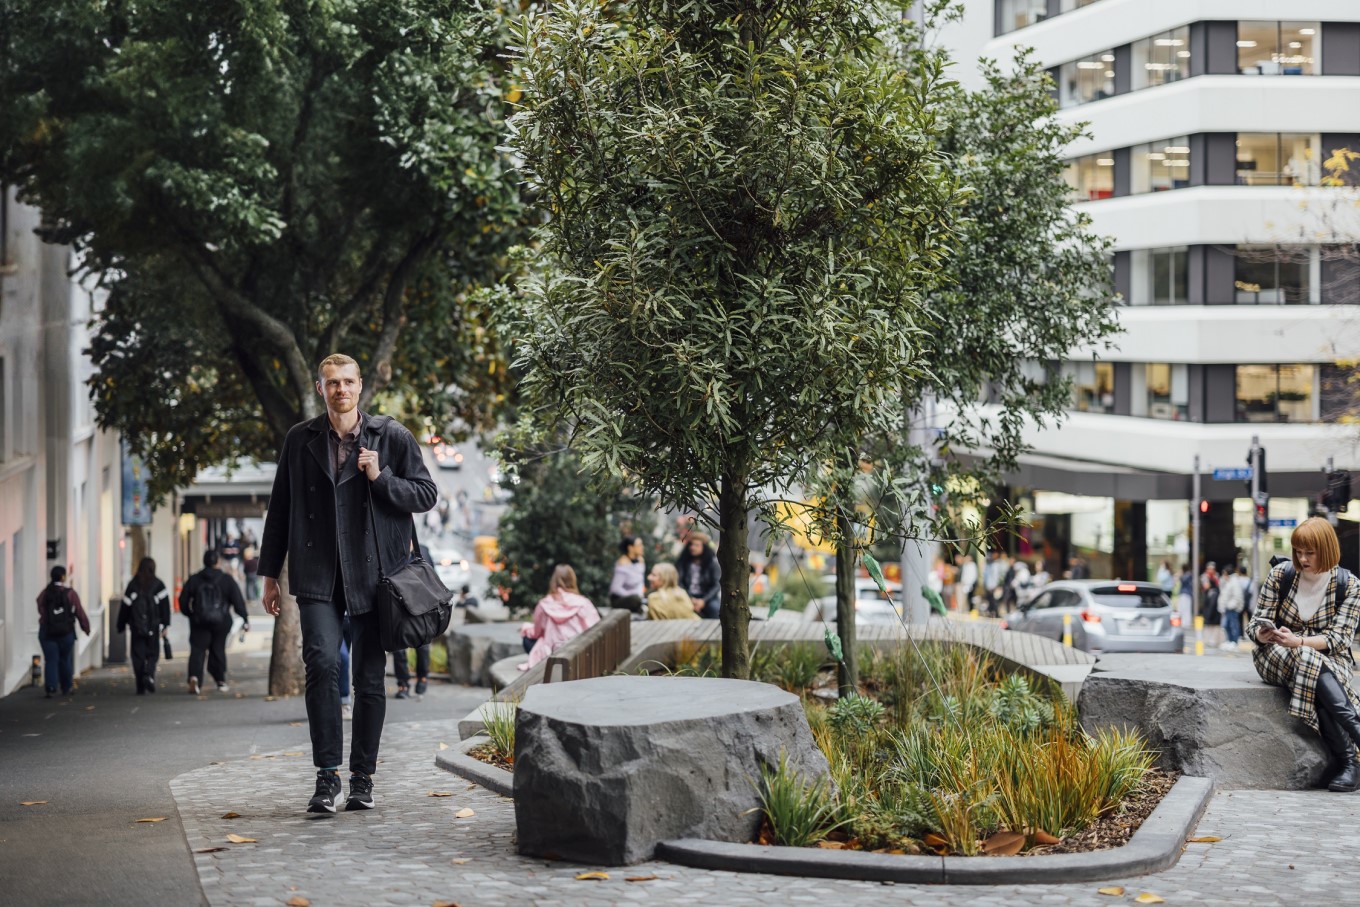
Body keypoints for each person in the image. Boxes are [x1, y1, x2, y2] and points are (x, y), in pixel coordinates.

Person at [258, 353, 438, 815]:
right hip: (317, 572)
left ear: (361, 387)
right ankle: (326, 778)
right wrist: (268, 575)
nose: (341, 389)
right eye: (332, 382)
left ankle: (362, 779)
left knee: (369, 678)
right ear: (321, 389)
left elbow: (425, 494)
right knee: (320, 663)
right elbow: (281, 507)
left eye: (348, 382)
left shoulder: (390, 436)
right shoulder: (301, 439)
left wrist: (381, 477)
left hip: (375, 576)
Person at [1247, 518, 1360, 792]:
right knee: (1306, 659)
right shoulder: (1281, 575)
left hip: (1331, 660)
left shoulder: (1350, 585)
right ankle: (1352, 755)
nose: (1302, 558)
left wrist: (1299, 641)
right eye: (1298, 551)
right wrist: (1263, 634)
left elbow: (1339, 639)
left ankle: (1350, 762)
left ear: (1327, 549)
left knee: (1307, 659)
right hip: (1275, 656)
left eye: (1310, 552)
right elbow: (1254, 624)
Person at [180, 549, 249, 694]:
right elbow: (237, 601)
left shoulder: (195, 579)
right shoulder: (226, 579)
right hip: (221, 621)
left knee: (197, 650)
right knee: (218, 649)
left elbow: (183, 600)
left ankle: (194, 677)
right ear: (217, 562)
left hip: (199, 621)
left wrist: (191, 614)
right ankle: (220, 681)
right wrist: (245, 618)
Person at [519, 565, 601, 669]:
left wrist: (525, 628)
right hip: (578, 652)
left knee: (527, 640)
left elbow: (536, 633)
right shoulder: (584, 603)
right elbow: (595, 628)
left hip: (551, 653)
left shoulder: (544, 604)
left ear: (553, 582)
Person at [117, 557, 171, 694]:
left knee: (138, 656)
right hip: (154, 627)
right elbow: (165, 607)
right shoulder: (158, 584)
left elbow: (125, 607)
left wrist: (121, 624)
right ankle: (149, 674)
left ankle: (140, 686)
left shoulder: (133, 585)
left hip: (137, 628)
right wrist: (165, 625)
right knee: (153, 654)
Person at [36, 565, 91, 698]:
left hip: (47, 632)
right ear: (63, 577)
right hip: (66, 633)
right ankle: (66, 687)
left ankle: (50, 686)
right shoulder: (70, 593)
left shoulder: (45, 593)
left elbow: (40, 608)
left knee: (51, 659)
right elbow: (79, 611)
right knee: (65, 659)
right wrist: (85, 627)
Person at [675, 532, 721, 619]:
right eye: (691, 545)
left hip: (707, 598)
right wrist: (690, 598)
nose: (692, 548)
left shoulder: (712, 563)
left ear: (704, 547)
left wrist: (703, 600)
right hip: (687, 596)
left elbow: (716, 585)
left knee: (716, 609)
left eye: (697, 545)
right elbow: (679, 582)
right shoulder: (683, 562)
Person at [609, 536, 646, 614]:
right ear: (630, 548)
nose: (642, 547)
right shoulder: (622, 564)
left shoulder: (641, 560)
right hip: (621, 598)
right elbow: (615, 589)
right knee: (636, 599)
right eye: (639, 545)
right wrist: (634, 595)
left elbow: (640, 581)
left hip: (637, 595)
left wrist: (640, 594)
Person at [1217, 564, 1246, 649]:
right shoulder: (1228, 581)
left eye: (1224, 574)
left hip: (1232, 608)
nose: (1223, 576)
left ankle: (1234, 642)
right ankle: (1229, 641)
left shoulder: (1234, 582)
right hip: (1228, 608)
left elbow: (1237, 596)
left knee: (1233, 625)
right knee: (1226, 625)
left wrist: (1230, 606)